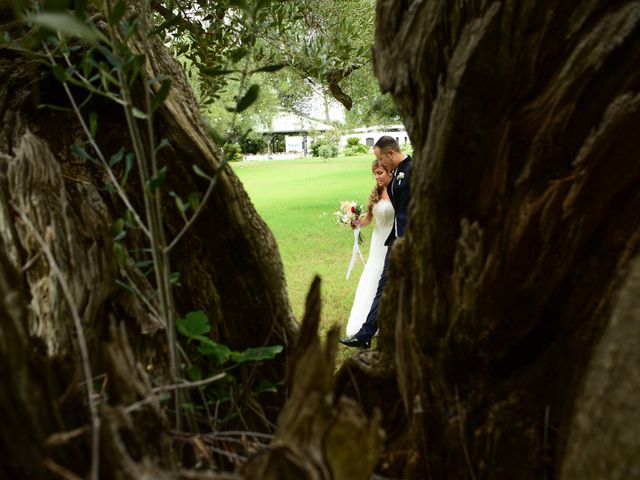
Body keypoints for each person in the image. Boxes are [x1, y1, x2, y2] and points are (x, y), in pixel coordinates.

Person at [339, 136, 412, 349]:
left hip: (410, 242)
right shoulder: (396, 175)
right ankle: (366, 333)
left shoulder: (412, 170)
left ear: (390, 153)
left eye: (381, 159)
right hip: (394, 242)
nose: (380, 164)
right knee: (383, 286)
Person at [345, 159, 394, 337]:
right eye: (374, 173)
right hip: (377, 242)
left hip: (393, 239)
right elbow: (368, 218)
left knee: (388, 277)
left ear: (389, 171)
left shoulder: (398, 189)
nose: (377, 177)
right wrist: (355, 222)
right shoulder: (376, 192)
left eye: (380, 173)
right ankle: (367, 320)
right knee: (373, 276)